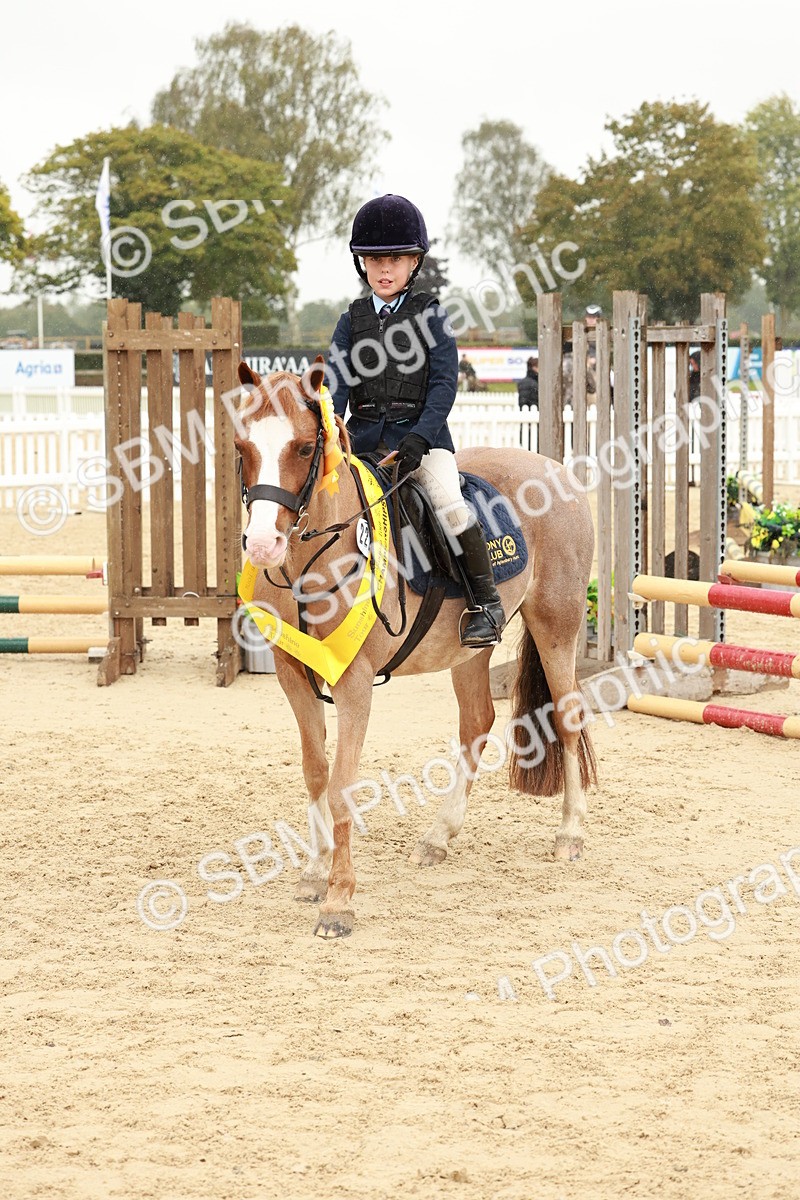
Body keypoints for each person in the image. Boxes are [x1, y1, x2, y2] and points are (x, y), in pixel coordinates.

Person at [325, 193, 505, 647]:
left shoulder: (430, 314)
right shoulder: (351, 321)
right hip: (363, 446)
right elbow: (337, 388)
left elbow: (445, 385)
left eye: (397, 259)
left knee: (449, 504)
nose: (385, 269)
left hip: (421, 446)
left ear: (413, 263)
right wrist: (333, 433)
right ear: (362, 264)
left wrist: (420, 438)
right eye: (375, 259)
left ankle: (486, 604)